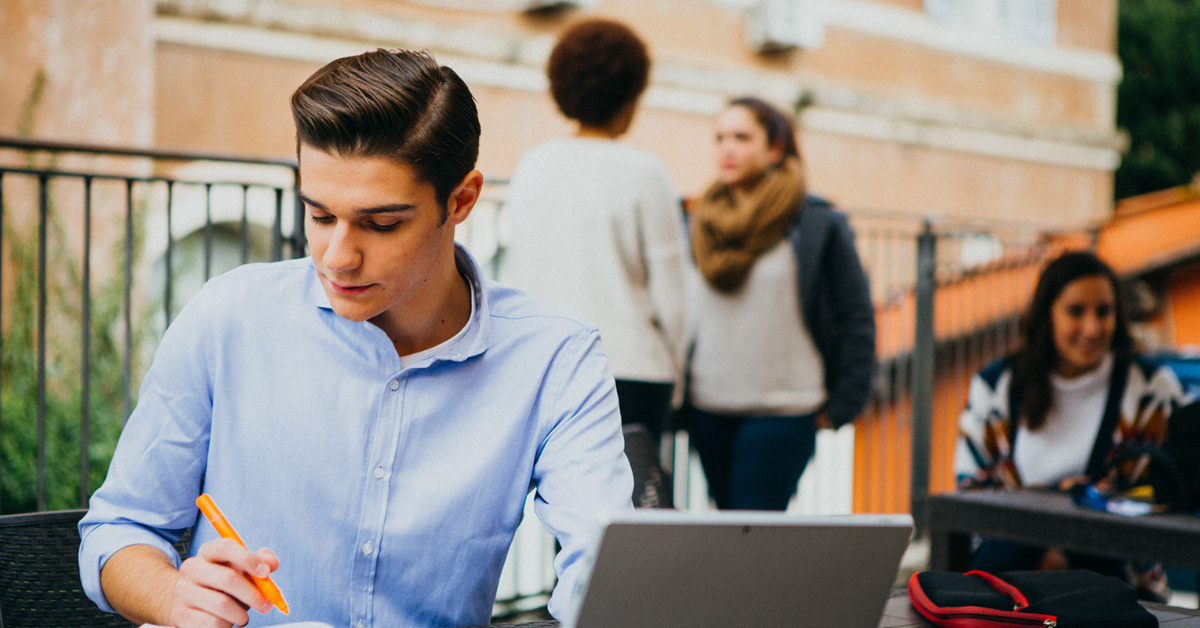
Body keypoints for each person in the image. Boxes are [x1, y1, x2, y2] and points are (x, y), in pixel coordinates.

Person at [77, 49, 633, 628]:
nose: (337, 257)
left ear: (461, 200)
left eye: (381, 223)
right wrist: (174, 597)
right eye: (319, 216)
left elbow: (602, 569)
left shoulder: (556, 360)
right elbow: (121, 530)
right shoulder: (228, 317)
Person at [681, 97, 876, 511]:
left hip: (784, 410)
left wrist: (844, 402)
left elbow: (855, 315)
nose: (727, 148)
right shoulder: (700, 221)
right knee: (724, 525)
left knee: (754, 532)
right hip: (708, 406)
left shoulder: (817, 223)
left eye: (741, 137)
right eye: (720, 138)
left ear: (775, 149)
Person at [501, 19, 687, 448]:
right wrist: (676, 372)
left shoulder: (532, 165)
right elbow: (674, 301)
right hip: (633, 371)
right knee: (630, 505)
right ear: (629, 95)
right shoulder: (646, 172)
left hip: (544, 363)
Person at [955, 250, 1189, 588]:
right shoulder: (995, 387)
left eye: (1104, 312)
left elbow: (1170, 491)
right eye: (1076, 311)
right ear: (1047, 314)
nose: (1092, 328)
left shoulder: (1150, 388)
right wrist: (1061, 497)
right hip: (1009, 569)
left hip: (1112, 572)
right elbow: (969, 494)